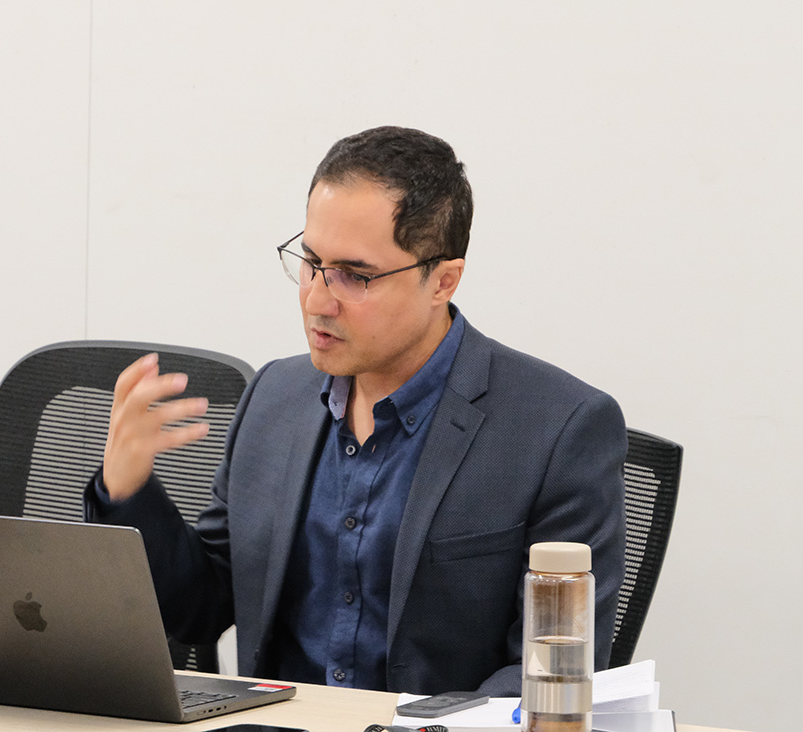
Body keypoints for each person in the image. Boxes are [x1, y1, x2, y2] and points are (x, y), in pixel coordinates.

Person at [85, 126, 627, 696]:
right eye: (311, 262)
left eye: (355, 275)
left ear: (442, 280)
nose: (318, 299)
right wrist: (129, 492)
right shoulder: (274, 397)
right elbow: (202, 608)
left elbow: (551, 675)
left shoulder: (560, 429)